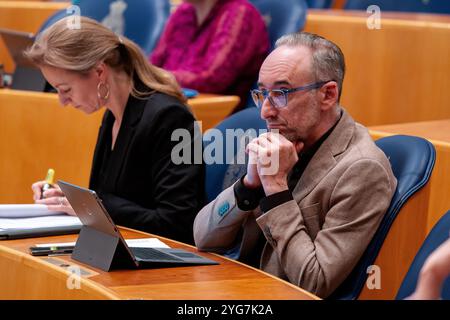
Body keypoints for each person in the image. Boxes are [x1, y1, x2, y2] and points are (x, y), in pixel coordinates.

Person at [193, 32, 398, 298]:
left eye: (281, 93)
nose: (265, 110)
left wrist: (276, 189)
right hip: (240, 288)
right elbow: (203, 238)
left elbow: (313, 283)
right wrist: (249, 187)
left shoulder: (363, 169)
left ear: (327, 94)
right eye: (262, 94)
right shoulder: (283, 141)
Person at [27, 17, 203, 244]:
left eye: (65, 89)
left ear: (99, 72)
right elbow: (113, 201)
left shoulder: (171, 117)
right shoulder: (112, 114)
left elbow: (178, 222)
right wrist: (69, 200)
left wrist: (91, 207)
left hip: (166, 263)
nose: (62, 101)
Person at [150, 0, 270, 111]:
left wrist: (157, 76)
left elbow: (212, 79)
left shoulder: (240, 13)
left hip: (216, 115)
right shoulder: (183, 11)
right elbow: (154, 62)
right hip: (170, 103)